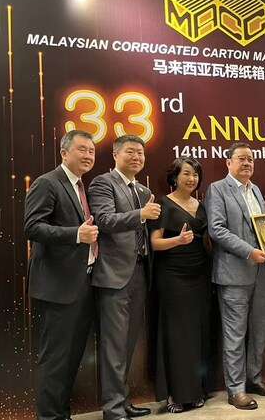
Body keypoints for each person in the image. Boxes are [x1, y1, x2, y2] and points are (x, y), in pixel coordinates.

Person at [24, 130, 98, 420]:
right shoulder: (48, 183)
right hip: (57, 287)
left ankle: (61, 414)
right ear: (64, 153)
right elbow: (32, 227)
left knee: (71, 358)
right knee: (55, 359)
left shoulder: (81, 186)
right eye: (82, 149)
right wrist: (76, 234)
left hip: (81, 283)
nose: (88, 155)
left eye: (91, 151)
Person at [88, 135, 161, 420]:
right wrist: (140, 214)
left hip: (139, 272)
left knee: (128, 343)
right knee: (114, 345)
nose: (137, 157)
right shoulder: (103, 183)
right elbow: (104, 220)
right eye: (130, 152)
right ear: (115, 155)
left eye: (140, 153)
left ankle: (123, 400)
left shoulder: (143, 190)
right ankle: (113, 408)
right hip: (114, 275)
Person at [205, 143, 265, 411]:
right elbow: (216, 230)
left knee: (259, 330)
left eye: (250, 159)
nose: (247, 163)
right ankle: (236, 390)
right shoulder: (217, 189)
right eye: (241, 159)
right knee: (235, 334)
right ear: (228, 162)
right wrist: (248, 251)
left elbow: (260, 227)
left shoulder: (256, 190)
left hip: (263, 271)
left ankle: (254, 379)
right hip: (234, 272)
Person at [149, 157, 212, 413]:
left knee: (197, 332)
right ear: (175, 176)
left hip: (200, 273)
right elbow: (154, 243)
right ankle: (174, 394)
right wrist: (178, 241)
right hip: (172, 275)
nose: (191, 179)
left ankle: (196, 390)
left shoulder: (202, 205)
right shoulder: (162, 203)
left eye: (195, 174)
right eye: (186, 173)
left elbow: (208, 240)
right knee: (176, 334)